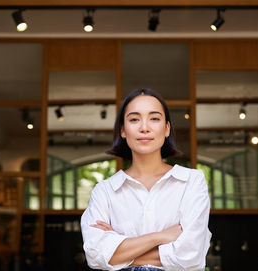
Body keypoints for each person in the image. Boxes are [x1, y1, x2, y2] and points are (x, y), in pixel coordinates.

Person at [80, 89, 212, 271]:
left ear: (167, 129)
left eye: (154, 118)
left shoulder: (191, 181)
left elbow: (190, 256)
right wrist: (159, 237)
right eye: (134, 119)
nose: (144, 127)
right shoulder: (105, 191)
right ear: (123, 130)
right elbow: (95, 255)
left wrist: (119, 251)